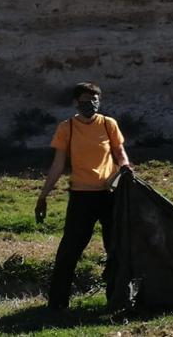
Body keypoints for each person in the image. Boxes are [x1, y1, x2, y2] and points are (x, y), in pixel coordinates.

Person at [35, 82, 131, 309]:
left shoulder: (108, 125)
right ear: (76, 103)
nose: (91, 106)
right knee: (69, 251)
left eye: (95, 101)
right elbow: (58, 165)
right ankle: (57, 305)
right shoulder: (66, 128)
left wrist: (126, 168)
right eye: (86, 102)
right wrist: (43, 195)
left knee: (116, 249)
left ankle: (116, 301)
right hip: (81, 197)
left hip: (109, 196)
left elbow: (120, 154)